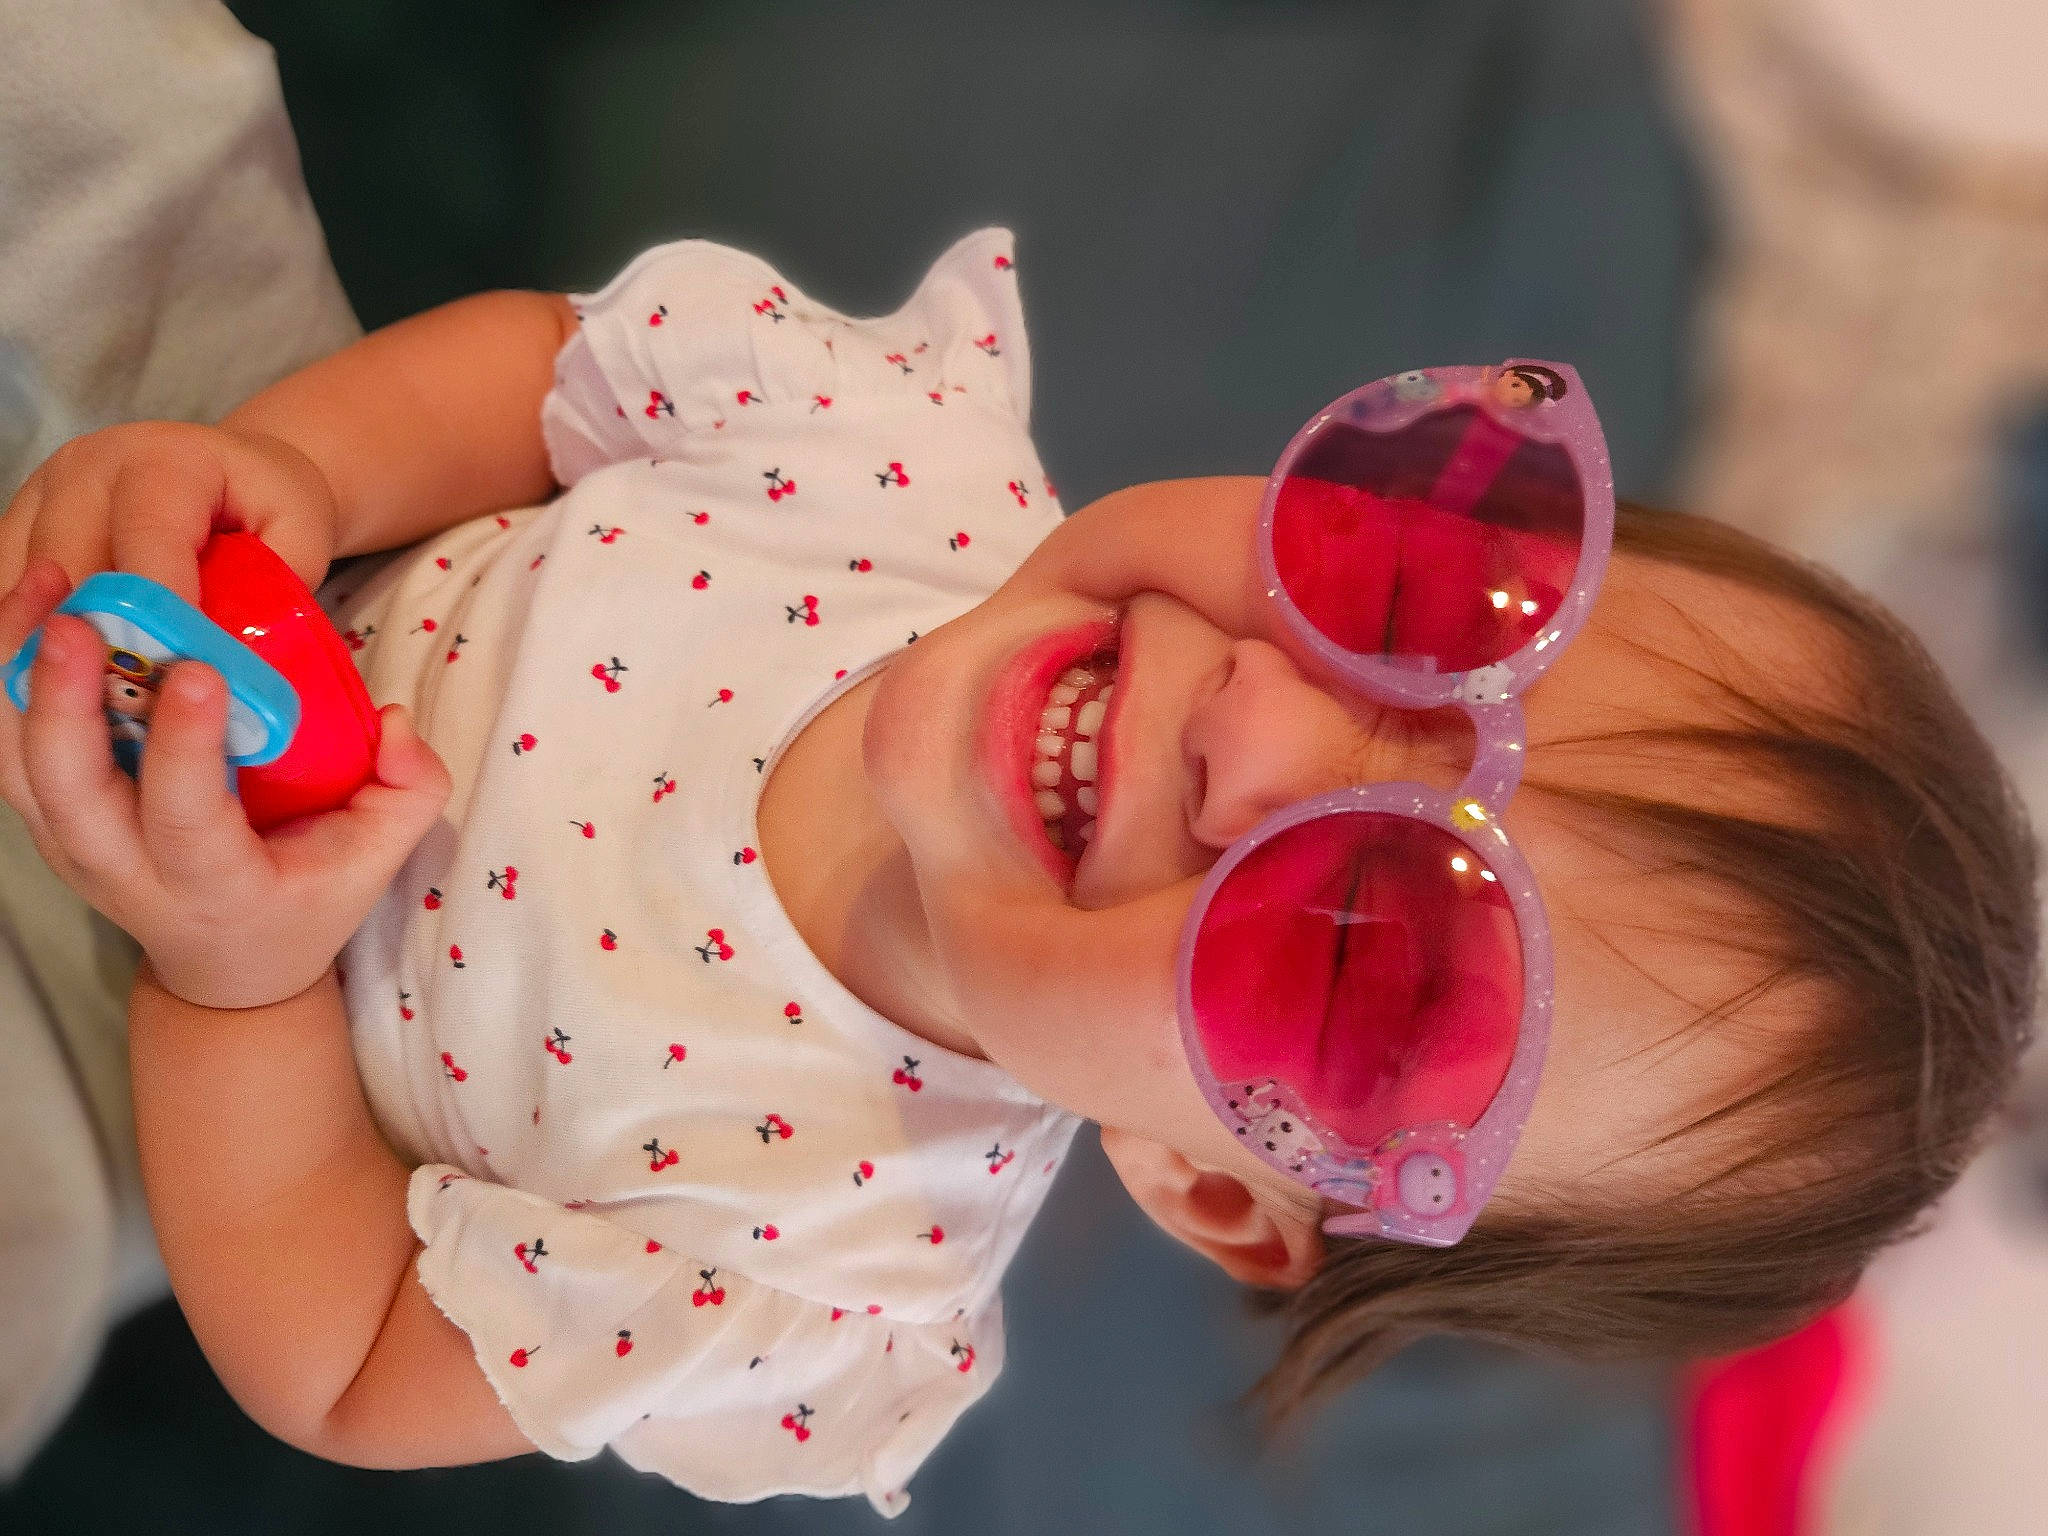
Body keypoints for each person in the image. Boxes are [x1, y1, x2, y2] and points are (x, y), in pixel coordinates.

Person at [0, 228, 2033, 1515]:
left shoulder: (809, 1275)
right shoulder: (894, 457)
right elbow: (555, 373)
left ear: (1214, 1184)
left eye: (1364, 951)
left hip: (121, 1055)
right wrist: (302, 470)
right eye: (1419, 587)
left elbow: (346, 1354)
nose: (1261, 729)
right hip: (229, 525)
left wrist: (229, 977)